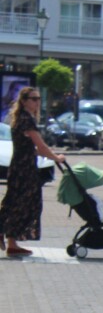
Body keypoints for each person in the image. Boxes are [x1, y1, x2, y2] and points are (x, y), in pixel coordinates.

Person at [1, 87, 64, 258]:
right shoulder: (26, 120)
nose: (37, 102)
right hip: (24, 169)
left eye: (38, 99)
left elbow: (30, 148)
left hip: (21, 166)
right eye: (33, 99)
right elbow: (41, 146)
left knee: (15, 202)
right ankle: (7, 235)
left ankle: (12, 242)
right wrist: (56, 158)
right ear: (23, 101)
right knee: (29, 204)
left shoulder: (21, 119)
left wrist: (45, 153)